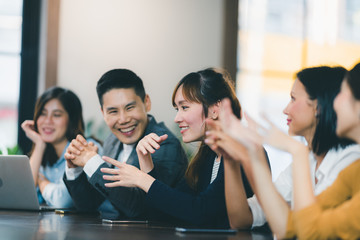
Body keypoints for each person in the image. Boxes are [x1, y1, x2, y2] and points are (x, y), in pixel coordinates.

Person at [206, 62, 360, 239]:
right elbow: (287, 225)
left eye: (293, 99)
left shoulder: (349, 159)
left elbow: (309, 232)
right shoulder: (348, 170)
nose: (336, 102)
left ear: (318, 106)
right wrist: (244, 154)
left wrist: (295, 151)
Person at [100, 68, 267, 228]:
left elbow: (201, 211)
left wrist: (142, 179)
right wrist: (146, 162)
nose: (177, 118)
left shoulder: (240, 150)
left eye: (184, 107)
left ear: (215, 109)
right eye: (176, 109)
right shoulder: (208, 155)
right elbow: (164, 212)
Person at [63, 69, 188, 218]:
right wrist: (75, 169)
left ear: (146, 103)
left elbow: (138, 208)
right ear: (103, 112)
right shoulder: (112, 140)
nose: (123, 119)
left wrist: (92, 161)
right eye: (113, 111)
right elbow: (88, 205)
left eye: (129, 108)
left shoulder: (164, 144)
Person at [21, 87, 101, 208]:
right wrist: (39, 144)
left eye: (57, 115)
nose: (48, 121)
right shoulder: (44, 155)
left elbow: (62, 201)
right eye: (43, 113)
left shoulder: (85, 148)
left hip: (92, 226)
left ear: (71, 120)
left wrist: (42, 182)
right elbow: (24, 196)